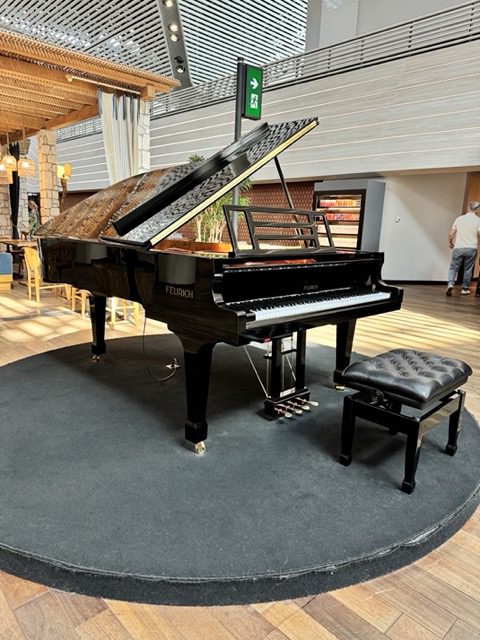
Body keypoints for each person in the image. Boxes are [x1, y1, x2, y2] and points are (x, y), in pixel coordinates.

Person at [446, 201, 480, 296]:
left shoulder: (459, 219)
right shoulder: (478, 220)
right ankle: (465, 289)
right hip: (471, 248)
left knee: (453, 267)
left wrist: (450, 243)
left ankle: (450, 284)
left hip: (459, 247)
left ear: (469, 208)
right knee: (468, 269)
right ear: (477, 209)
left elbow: (451, 233)